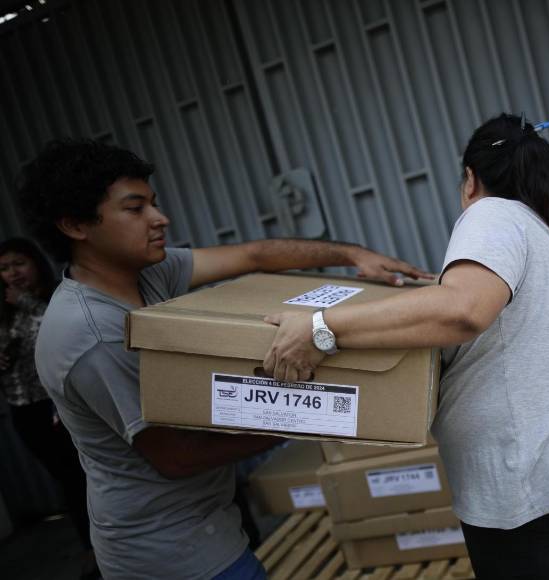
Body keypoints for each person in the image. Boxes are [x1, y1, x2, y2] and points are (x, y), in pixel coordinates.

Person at [263, 114, 549, 579]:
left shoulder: (491, 214)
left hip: (532, 472)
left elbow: (465, 311)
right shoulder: (548, 228)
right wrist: (433, 287)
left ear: (470, 179)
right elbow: (509, 316)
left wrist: (319, 327)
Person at [16, 138, 431, 580]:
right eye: (135, 209)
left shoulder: (148, 273)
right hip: (169, 553)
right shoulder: (93, 334)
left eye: (153, 204)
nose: (160, 219)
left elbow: (253, 256)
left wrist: (352, 254)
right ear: (76, 225)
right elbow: (178, 457)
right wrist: (318, 417)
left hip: (209, 525)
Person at [0, 237, 96, 576]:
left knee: (85, 475)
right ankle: (91, 547)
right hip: (24, 410)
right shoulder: (4, 310)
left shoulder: (56, 299)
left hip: (58, 405)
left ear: (35, 263)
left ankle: (105, 545)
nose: (12, 273)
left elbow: (57, 330)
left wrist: (25, 301)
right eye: (4, 268)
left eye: (18, 264)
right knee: (67, 479)